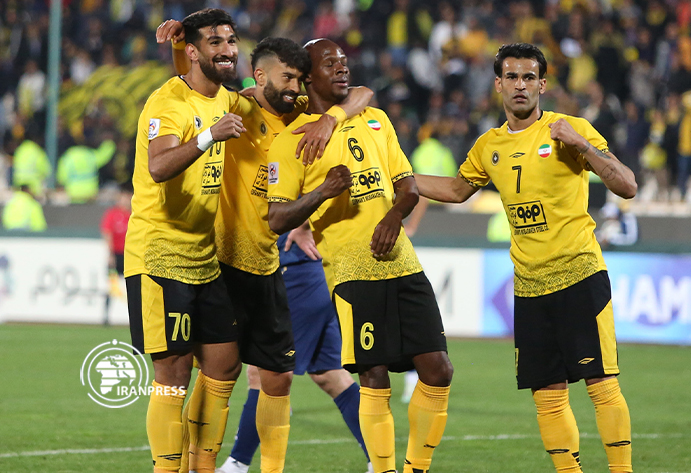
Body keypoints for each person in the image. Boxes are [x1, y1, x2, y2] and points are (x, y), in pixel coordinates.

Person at [158, 20, 375, 472]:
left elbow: (363, 94)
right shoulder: (235, 107)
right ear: (259, 77)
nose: (296, 87)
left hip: (269, 264)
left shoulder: (304, 118)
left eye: (300, 78)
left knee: (276, 378)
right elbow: (193, 84)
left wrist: (328, 123)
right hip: (220, 263)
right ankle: (201, 464)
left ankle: (257, 467)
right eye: (288, 77)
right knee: (219, 373)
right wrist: (182, 44)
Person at [413, 43, 637, 473]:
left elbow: (627, 185)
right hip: (530, 285)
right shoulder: (488, 145)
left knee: (601, 385)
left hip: (579, 275)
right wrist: (400, 176)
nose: (520, 85)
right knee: (548, 394)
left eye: (529, 77)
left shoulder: (568, 128)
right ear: (498, 84)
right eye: (512, 77)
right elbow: (458, 191)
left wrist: (582, 147)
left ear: (543, 84)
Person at [266, 39, 454, 473]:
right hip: (350, 272)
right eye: (329, 63)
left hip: (403, 263)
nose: (342, 69)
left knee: (439, 370)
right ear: (307, 77)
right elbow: (276, 218)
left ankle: (416, 468)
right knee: (374, 377)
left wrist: (393, 218)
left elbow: (407, 185)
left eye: (344, 62)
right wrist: (322, 192)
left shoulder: (375, 119)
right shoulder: (290, 142)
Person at [124, 9, 245, 473]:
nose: (228, 49)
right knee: (173, 376)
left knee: (223, 366)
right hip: (158, 254)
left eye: (231, 40)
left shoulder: (227, 101)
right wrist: (208, 138)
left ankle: (203, 466)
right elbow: (158, 166)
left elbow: (261, 97)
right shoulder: (168, 102)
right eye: (215, 42)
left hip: (203, 258)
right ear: (193, 51)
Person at [56, 136, 116, 203]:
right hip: (90, 193)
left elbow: (61, 178)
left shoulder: (67, 157)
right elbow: (103, 156)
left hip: (73, 194)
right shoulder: (89, 155)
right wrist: (110, 143)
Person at [100, 182, 132, 275]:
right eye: (124, 197)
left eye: (128, 197)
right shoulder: (113, 214)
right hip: (117, 253)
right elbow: (107, 233)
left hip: (131, 254)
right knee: (115, 284)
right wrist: (110, 254)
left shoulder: (134, 214)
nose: (126, 200)